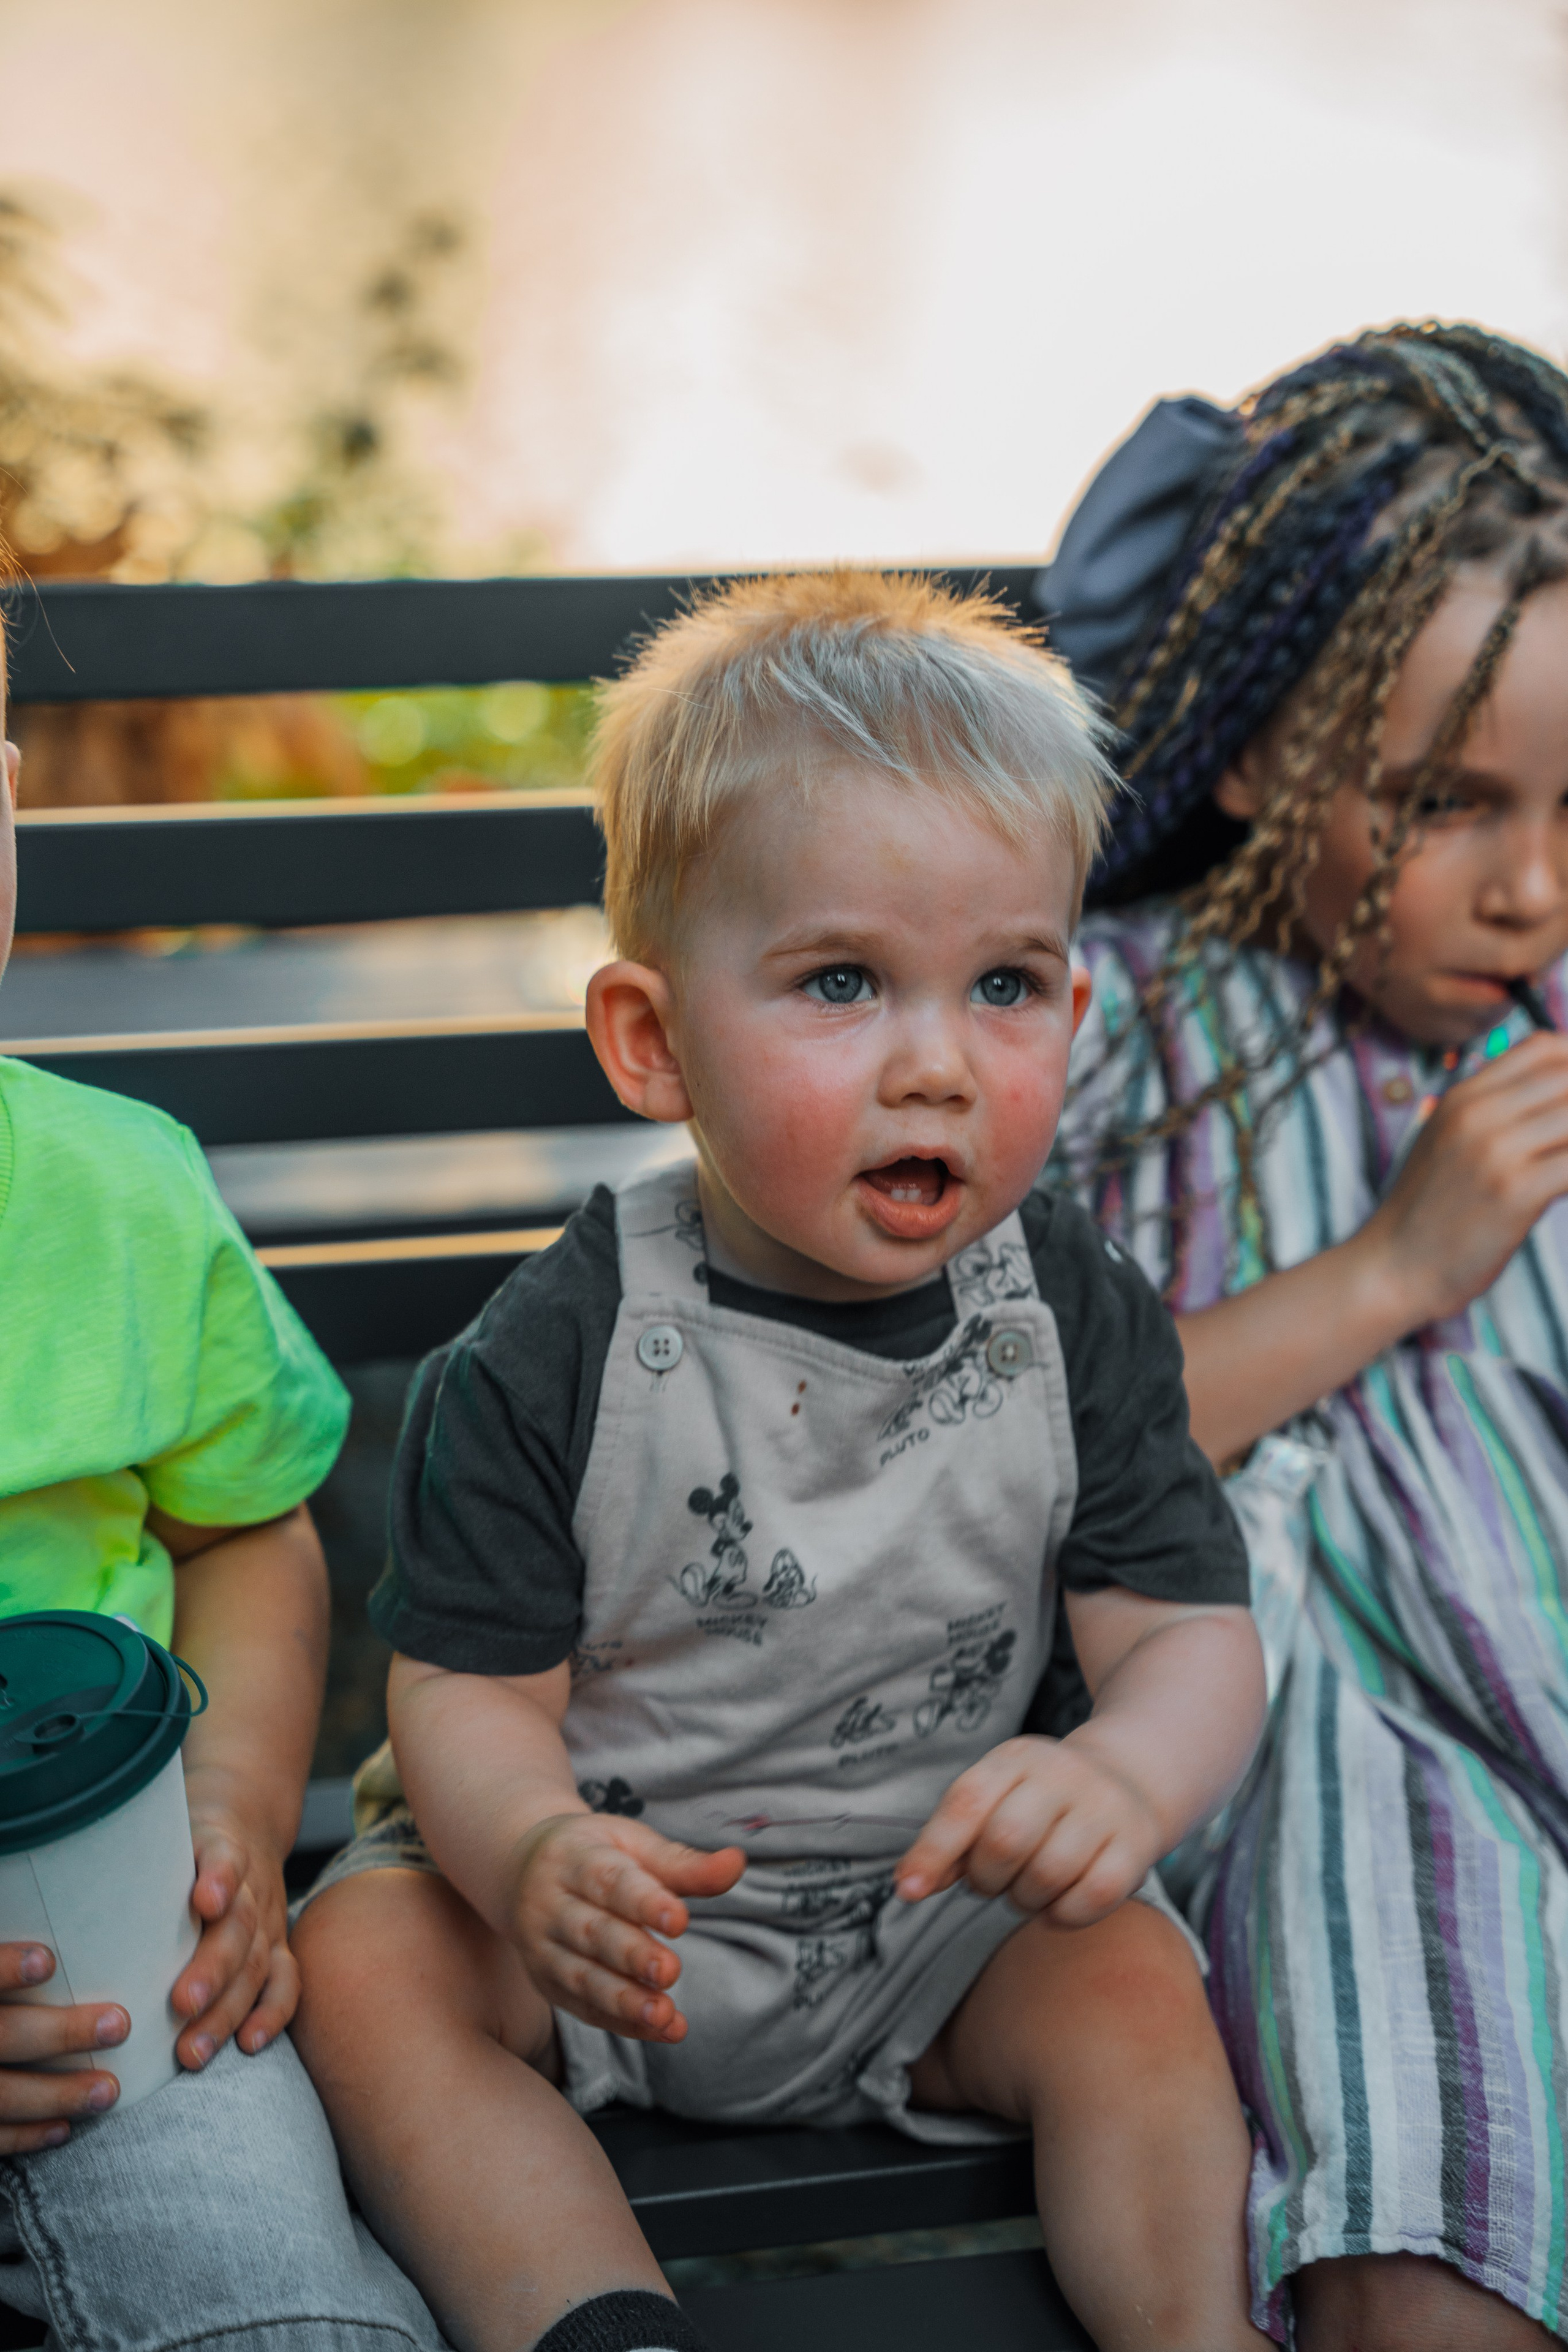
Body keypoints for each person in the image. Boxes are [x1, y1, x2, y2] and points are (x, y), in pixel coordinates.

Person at [290, 569, 1270, 2352]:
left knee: (1128, 1973)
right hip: (595, 1925)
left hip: (929, 1919)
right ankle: (595, 2321)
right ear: (654, 1041)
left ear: (1073, 1009)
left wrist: (1125, 1777)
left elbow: (1188, 1630)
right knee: (365, 1970)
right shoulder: (560, 1345)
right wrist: (529, 1855)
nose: (937, 1065)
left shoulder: (1072, 1314)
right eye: (841, 982)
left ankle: (1194, 2336)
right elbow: (468, 1693)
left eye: (1005, 984)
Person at [1042, 322, 1568, 2350]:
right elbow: (1006, 1447)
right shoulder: (1108, 1029)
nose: (1533, 889)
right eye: (1448, 804)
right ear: (1260, 753)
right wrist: (1390, 1271)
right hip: (1318, 1709)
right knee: (1432, 2089)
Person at [0, 636, 447, 2350]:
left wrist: (234, 1817)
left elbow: (243, 1531)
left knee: (277, 2309)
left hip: (127, 1971)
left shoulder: (120, 1193)